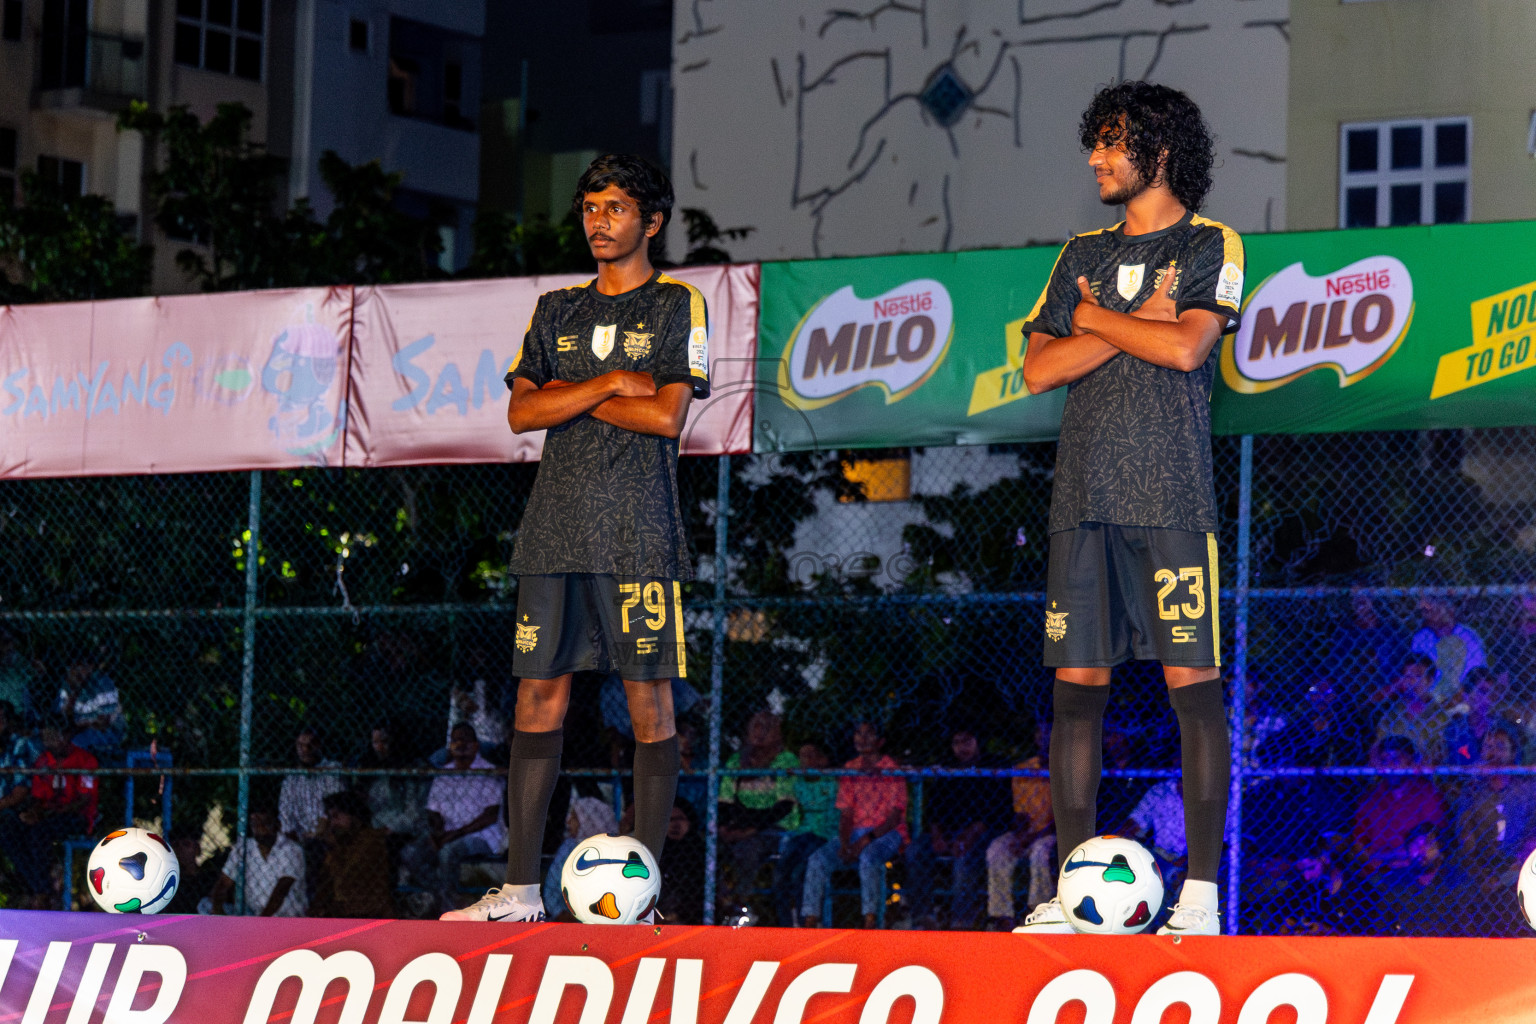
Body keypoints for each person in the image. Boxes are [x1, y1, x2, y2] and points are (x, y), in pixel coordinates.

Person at [445, 153, 709, 924]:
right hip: (554, 532)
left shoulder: (675, 305)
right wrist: (606, 385)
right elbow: (522, 414)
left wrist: (570, 398)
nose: (599, 221)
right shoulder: (557, 308)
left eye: (616, 209)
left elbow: (666, 415)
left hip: (637, 532)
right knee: (537, 700)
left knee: (649, 709)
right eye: (591, 208)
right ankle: (521, 890)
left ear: (651, 221)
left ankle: (643, 897)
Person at [1014, 81, 1244, 937]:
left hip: (1172, 499)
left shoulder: (1209, 241)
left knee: (1195, 691)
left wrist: (1094, 322)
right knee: (1077, 696)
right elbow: (1038, 369)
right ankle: (1076, 898)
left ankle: (1200, 896)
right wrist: (1126, 319)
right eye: (1095, 142)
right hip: (1083, 500)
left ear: (1161, 150)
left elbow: (1187, 346)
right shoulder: (1079, 251)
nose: (1095, 159)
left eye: (1111, 143)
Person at [800, 720, 907, 929]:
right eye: (859, 733)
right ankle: (810, 919)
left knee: (869, 857)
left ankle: (870, 918)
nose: (862, 738)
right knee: (817, 860)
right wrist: (844, 842)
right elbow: (846, 812)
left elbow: (894, 817)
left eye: (869, 734)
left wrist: (864, 841)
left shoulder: (892, 769)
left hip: (887, 832)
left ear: (881, 741)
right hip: (856, 832)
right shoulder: (851, 768)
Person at [904, 725, 1007, 930]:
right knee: (915, 851)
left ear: (978, 741)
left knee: (964, 860)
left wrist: (969, 835)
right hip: (949, 829)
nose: (961, 748)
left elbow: (996, 812)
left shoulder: (994, 765)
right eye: (956, 743)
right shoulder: (947, 768)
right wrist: (937, 836)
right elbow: (933, 809)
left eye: (967, 741)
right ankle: (923, 917)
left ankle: (962, 922)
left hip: (984, 831)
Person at [406, 723, 506, 915]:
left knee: (448, 852)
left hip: (481, 836)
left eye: (466, 740)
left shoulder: (488, 772)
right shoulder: (444, 773)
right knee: (411, 853)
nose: (460, 744)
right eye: (455, 740)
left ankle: (448, 909)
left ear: (476, 745)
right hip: (448, 834)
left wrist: (454, 835)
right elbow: (433, 811)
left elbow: (490, 816)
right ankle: (445, 896)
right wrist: (436, 831)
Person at [0, 719, 96, 908]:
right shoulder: (44, 760)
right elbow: (37, 795)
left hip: (76, 816)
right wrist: (33, 812)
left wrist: (46, 813)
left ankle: (41, 892)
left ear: (66, 737)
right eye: (45, 737)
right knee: (9, 829)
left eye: (52, 737)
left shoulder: (85, 760)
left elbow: (84, 800)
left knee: (39, 833)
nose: (48, 742)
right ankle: (40, 888)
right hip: (47, 814)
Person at [1452, 724, 1536, 935]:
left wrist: (1511, 872)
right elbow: (1465, 841)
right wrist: (1483, 877)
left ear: (1512, 753)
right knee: (1460, 886)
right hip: (1482, 867)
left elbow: (1532, 838)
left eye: (1500, 746)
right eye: (1489, 747)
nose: (1494, 753)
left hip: (1518, 865)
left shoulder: (1526, 790)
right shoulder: (1473, 791)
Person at [717, 711, 798, 915]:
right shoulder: (737, 761)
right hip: (740, 824)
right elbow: (725, 801)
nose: (760, 732)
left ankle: (740, 903)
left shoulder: (786, 760)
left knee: (747, 849)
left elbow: (783, 806)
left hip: (776, 828)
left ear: (778, 734)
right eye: (756, 726)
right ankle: (721, 899)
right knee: (704, 845)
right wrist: (725, 827)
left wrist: (748, 830)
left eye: (767, 727)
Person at [985, 721, 1054, 930]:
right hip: (1029, 832)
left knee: (1041, 852)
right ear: (1035, 736)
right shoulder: (1023, 769)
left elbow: (1064, 820)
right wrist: (1020, 836)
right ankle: (1002, 915)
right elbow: (1020, 812)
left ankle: (1037, 912)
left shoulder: (1072, 768)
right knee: (997, 850)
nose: (1046, 738)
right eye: (1042, 733)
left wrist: (1029, 839)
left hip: (1053, 832)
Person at [1351, 735, 1448, 876]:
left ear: (1410, 760)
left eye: (1396, 759)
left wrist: (1392, 857)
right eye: (1385, 760)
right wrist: (1397, 855)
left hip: (1419, 873)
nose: (1390, 766)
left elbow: (1437, 844)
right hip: (1382, 876)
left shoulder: (1427, 793)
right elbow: (1359, 848)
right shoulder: (1370, 799)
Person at [773, 741, 839, 927]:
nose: (806, 761)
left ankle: (806, 923)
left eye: (811, 755)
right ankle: (784, 923)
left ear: (822, 760)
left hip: (824, 833)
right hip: (802, 832)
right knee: (781, 870)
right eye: (803, 756)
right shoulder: (798, 781)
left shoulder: (831, 781)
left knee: (803, 870)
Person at [207, 806, 306, 917]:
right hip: (255, 914)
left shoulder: (291, 849)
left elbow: (282, 890)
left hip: (288, 917)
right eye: (255, 824)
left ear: (277, 824)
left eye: (265, 823)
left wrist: (261, 922)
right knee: (205, 905)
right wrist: (217, 909)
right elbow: (224, 882)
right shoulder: (244, 847)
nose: (261, 828)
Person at [310, 789, 394, 918]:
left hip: (369, 913)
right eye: (331, 818)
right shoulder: (342, 841)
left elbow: (348, 873)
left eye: (337, 816)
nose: (333, 824)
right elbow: (326, 879)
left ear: (353, 815)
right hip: (345, 912)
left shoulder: (371, 839)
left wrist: (333, 847)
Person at [1373, 655, 1452, 766]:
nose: (1412, 681)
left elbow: (1443, 754)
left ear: (1429, 681)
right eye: (1408, 676)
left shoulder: (1442, 717)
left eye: (1418, 676)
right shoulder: (1392, 714)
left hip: (1424, 777)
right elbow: (1376, 747)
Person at [1410, 596, 1487, 703]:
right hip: (1429, 698)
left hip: (1464, 696)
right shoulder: (1421, 637)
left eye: (1436, 605)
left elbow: (1476, 671)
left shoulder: (1468, 635)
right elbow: (1417, 673)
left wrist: (1461, 695)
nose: (1429, 610)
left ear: (1451, 610)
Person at [278, 727, 345, 844]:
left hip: (328, 836)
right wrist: (297, 838)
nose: (305, 749)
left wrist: (317, 833)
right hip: (299, 840)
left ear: (319, 745)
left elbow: (335, 807)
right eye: (301, 745)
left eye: (310, 745)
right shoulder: (291, 780)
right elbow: (285, 816)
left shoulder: (332, 769)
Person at [55, 650, 124, 753]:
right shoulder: (66, 687)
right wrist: (74, 692)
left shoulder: (102, 683)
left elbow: (102, 722)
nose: (77, 671)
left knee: (78, 741)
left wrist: (75, 727)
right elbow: (63, 718)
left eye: (82, 667)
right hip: (79, 731)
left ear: (91, 667)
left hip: (107, 732)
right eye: (73, 667)